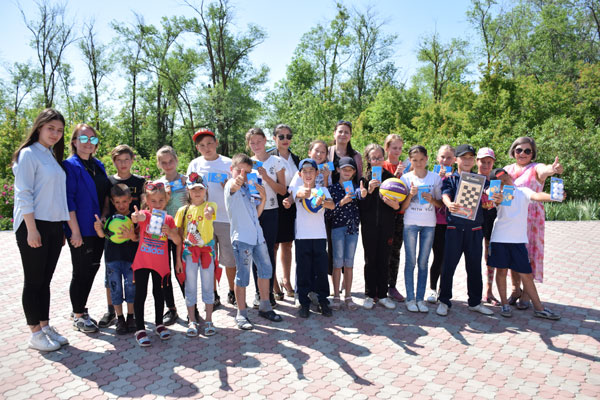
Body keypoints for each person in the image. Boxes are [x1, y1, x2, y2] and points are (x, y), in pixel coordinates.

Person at [12, 108, 70, 351]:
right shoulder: (28, 154)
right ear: (39, 127)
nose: (55, 134)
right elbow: (23, 193)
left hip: (53, 226)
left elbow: (57, 195)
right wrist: (31, 229)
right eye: (50, 128)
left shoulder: (51, 156)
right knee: (34, 280)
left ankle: (45, 326)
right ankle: (34, 332)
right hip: (33, 225)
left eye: (59, 130)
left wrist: (62, 227)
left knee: (45, 281)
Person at [487, 168, 561, 320]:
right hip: (499, 239)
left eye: (505, 177)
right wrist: (497, 195)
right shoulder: (494, 192)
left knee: (526, 274)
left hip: (519, 241)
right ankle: (504, 305)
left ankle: (539, 308)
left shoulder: (523, 191)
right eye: (500, 181)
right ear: (496, 184)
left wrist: (554, 196)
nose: (505, 181)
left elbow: (537, 196)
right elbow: (495, 198)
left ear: (509, 176)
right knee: (501, 272)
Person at [224, 154, 283, 330]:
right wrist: (238, 180)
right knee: (242, 276)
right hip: (242, 239)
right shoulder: (230, 185)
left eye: (247, 172)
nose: (243, 175)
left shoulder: (250, 188)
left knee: (266, 270)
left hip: (258, 236)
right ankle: (241, 314)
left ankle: (265, 306)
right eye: (239, 170)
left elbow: (256, 215)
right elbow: (234, 185)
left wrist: (263, 199)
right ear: (231, 170)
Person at [503, 137, 563, 309]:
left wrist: (552, 169)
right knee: (513, 253)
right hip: (512, 217)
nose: (523, 153)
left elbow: (544, 171)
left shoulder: (535, 168)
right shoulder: (506, 170)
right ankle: (515, 289)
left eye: (527, 151)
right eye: (519, 150)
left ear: (533, 153)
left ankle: (527, 294)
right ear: (513, 151)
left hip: (531, 218)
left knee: (528, 255)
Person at [436, 144, 494, 317]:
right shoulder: (451, 178)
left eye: (470, 158)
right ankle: (444, 301)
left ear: (474, 161)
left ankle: (475, 302)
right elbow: (445, 194)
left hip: (475, 229)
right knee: (448, 266)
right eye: (463, 157)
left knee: (474, 267)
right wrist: (449, 204)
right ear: (456, 160)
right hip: (454, 229)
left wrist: (494, 195)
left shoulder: (481, 179)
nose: (467, 161)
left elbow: (489, 192)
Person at [64, 123, 111, 333]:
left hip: (98, 228)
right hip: (81, 229)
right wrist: (74, 231)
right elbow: (68, 200)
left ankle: (80, 307)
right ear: (74, 142)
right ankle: (78, 315)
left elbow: (106, 195)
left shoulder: (98, 165)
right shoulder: (70, 166)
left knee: (92, 268)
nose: (88, 143)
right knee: (81, 271)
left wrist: (104, 216)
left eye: (92, 139)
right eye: (83, 138)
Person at [186, 129, 237, 306]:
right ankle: (213, 294)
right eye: (202, 145)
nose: (206, 148)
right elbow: (189, 191)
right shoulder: (194, 164)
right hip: (203, 221)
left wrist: (230, 188)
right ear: (197, 148)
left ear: (216, 143)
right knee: (208, 259)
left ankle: (232, 291)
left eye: (209, 143)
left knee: (230, 259)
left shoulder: (228, 163)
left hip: (226, 218)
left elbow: (239, 189)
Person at [98, 144, 146, 329]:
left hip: (133, 238)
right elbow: (105, 205)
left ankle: (133, 315)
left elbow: (144, 207)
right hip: (113, 237)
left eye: (127, 159)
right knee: (112, 279)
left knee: (131, 279)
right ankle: (113, 312)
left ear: (132, 160)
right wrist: (103, 220)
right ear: (114, 162)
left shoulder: (139, 181)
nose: (123, 163)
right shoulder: (108, 181)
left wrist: (138, 227)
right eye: (119, 160)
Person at [131, 182, 181, 346]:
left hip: (160, 265)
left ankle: (159, 324)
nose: (157, 204)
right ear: (147, 201)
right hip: (142, 262)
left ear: (166, 200)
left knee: (159, 294)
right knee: (140, 294)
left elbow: (178, 241)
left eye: (161, 200)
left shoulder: (169, 219)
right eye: (153, 201)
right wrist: (136, 217)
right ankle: (140, 329)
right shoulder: (145, 215)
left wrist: (170, 232)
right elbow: (138, 217)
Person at [288, 158, 335, 318]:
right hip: (302, 237)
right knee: (303, 270)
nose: (308, 174)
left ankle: (323, 301)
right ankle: (303, 302)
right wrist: (292, 199)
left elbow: (332, 205)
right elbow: (291, 198)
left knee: (321, 270)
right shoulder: (297, 189)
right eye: (305, 172)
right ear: (300, 174)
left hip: (319, 236)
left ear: (316, 173)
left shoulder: (323, 190)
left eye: (311, 171)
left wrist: (322, 202)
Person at [247, 128, 287, 308]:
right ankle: (258, 293)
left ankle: (269, 293)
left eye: (259, 141)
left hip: (271, 211)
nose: (256, 145)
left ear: (265, 140)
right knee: (256, 252)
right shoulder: (248, 163)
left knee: (268, 252)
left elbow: (283, 190)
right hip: (254, 212)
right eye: (252, 143)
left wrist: (266, 178)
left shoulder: (276, 161)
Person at [400, 146, 443, 313]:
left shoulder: (435, 178)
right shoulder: (405, 178)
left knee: (423, 262)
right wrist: (410, 195)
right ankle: (410, 298)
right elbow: (402, 207)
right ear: (410, 161)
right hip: (410, 223)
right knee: (410, 261)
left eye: (421, 159)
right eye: (414, 160)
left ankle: (420, 299)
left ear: (427, 159)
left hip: (429, 224)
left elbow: (440, 204)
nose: (418, 163)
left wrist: (431, 200)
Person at [175, 173, 218, 337]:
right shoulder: (183, 210)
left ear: (206, 189)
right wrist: (178, 259)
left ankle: (209, 320)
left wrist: (209, 213)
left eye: (200, 189)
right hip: (189, 253)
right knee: (190, 287)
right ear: (188, 190)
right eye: (193, 189)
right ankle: (192, 320)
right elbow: (179, 236)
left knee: (208, 286)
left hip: (206, 252)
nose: (197, 192)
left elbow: (211, 211)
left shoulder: (211, 205)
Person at [359, 144, 400, 310]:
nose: (377, 161)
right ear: (368, 160)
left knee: (384, 260)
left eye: (379, 158)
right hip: (369, 227)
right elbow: (361, 207)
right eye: (373, 158)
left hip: (387, 226)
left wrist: (394, 203)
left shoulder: (391, 179)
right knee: (370, 261)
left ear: (384, 159)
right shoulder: (363, 180)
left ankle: (383, 295)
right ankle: (369, 295)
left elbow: (397, 205)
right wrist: (369, 192)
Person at [93, 184, 138, 334]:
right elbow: (103, 236)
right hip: (112, 260)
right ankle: (120, 318)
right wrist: (99, 229)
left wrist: (132, 236)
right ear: (112, 202)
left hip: (130, 259)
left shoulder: (134, 218)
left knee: (131, 288)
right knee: (115, 288)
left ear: (130, 200)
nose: (121, 205)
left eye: (124, 201)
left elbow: (138, 238)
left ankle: (131, 317)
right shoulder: (109, 219)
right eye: (117, 202)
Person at [156, 146, 187, 325]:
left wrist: (188, 185)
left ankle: (191, 307)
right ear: (159, 164)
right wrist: (164, 198)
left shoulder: (186, 181)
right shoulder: (158, 185)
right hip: (163, 234)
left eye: (171, 161)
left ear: (176, 160)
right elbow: (154, 208)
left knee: (182, 272)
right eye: (164, 162)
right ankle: (171, 308)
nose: (168, 165)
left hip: (182, 233)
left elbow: (195, 201)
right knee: (164, 272)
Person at [268, 124, 300, 300]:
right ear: (274, 138)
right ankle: (273, 284)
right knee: (273, 245)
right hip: (274, 202)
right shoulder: (270, 158)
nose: (285, 139)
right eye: (281, 136)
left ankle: (286, 280)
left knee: (288, 244)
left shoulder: (295, 158)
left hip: (291, 202)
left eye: (288, 136)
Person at [325, 157, 360, 311]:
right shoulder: (332, 189)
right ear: (338, 170)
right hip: (337, 229)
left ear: (354, 172)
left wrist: (364, 193)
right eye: (344, 169)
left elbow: (362, 200)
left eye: (350, 170)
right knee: (337, 263)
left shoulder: (355, 188)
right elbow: (328, 213)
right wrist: (341, 202)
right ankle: (336, 296)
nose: (347, 172)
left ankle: (348, 296)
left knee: (349, 263)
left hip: (353, 229)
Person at [427, 145, 456, 303]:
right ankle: (432, 289)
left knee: (448, 259)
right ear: (437, 158)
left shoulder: (457, 177)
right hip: (436, 223)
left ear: (454, 160)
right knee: (438, 257)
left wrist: (450, 179)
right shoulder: (432, 176)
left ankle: (443, 290)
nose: (445, 160)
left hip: (452, 223)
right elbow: (427, 196)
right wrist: (438, 180)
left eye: (449, 157)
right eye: (442, 157)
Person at [382, 134, 407, 302]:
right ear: (387, 148)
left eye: (399, 148)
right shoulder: (382, 166)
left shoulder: (406, 167)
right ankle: (379, 285)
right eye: (394, 148)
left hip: (399, 216)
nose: (397, 151)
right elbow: (385, 189)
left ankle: (392, 286)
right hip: (383, 215)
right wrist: (395, 176)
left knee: (395, 252)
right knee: (381, 251)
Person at [476, 147, 499, 306]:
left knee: (490, 257)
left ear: (493, 163)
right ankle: (475, 291)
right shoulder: (470, 178)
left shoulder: (497, 180)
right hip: (475, 220)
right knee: (474, 257)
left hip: (492, 220)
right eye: (482, 161)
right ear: (477, 161)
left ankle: (488, 291)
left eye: (489, 162)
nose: (485, 165)